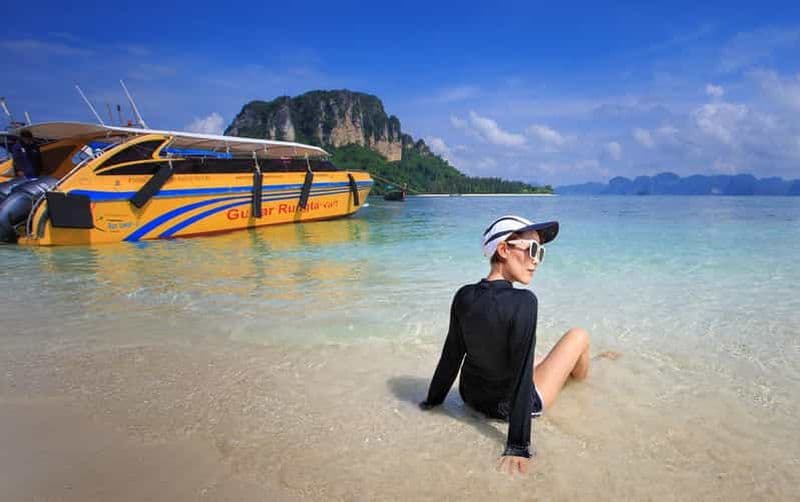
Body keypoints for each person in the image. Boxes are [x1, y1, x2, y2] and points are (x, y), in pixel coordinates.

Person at [419, 215, 591, 474]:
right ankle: (580, 378)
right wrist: (518, 446)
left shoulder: (464, 295)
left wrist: (432, 402)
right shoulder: (525, 302)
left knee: (534, 356)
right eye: (532, 249)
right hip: (510, 408)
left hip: (471, 397)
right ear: (503, 250)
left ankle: (564, 366)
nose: (536, 260)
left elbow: (451, 357)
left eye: (540, 253)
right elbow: (521, 377)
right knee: (579, 337)